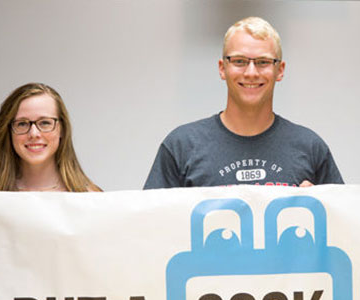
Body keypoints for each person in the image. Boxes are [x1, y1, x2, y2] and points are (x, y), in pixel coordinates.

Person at [144, 16, 343, 188]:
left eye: (263, 62)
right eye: (239, 61)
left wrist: (320, 205)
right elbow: (151, 225)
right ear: (223, 68)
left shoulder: (310, 147)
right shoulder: (181, 146)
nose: (251, 72)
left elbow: (341, 226)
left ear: (280, 70)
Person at [0, 83, 101, 192]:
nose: (34, 134)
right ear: (8, 132)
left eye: (45, 123)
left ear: (62, 129)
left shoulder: (90, 197)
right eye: (22, 124)